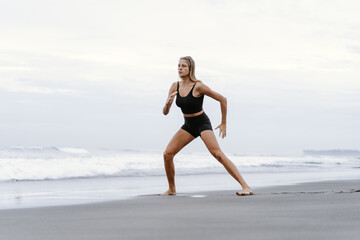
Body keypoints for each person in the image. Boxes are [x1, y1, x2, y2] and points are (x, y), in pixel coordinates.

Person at [161, 56, 253, 196]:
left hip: (201, 123)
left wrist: (224, 123)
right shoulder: (175, 86)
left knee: (218, 154)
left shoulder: (198, 86)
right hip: (188, 125)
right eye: (178, 65)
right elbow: (165, 113)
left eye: (183, 66)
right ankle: (172, 189)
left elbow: (222, 99)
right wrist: (168, 103)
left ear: (190, 68)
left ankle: (246, 186)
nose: (180, 68)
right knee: (167, 154)